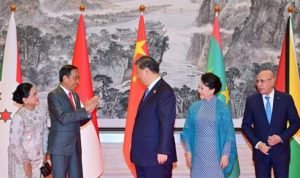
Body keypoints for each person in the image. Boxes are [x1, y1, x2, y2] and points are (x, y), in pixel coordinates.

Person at [242, 69, 300, 178]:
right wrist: (258, 144)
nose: (259, 84)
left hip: (281, 152)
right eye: (257, 81)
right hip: (261, 153)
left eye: (262, 81)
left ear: (272, 81)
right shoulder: (251, 100)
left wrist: (281, 137)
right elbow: (245, 126)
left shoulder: (285, 99)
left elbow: (296, 123)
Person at [180, 73, 237, 178]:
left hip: (216, 157)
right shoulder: (194, 107)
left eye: (202, 88)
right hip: (197, 156)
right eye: (198, 87)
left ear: (212, 90)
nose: (198, 90)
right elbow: (187, 132)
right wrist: (188, 151)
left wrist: (225, 154)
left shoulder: (222, 108)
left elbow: (229, 134)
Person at [47, 64, 99, 178]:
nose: (78, 82)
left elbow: (78, 120)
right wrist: (85, 110)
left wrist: (89, 112)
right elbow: (63, 118)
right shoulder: (53, 95)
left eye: (78, 78)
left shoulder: (75, 95)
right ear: (65, 78)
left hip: (75, 147)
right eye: (75, 78)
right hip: (60, 148)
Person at [130, 56, 177, 178]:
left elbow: (167, 123)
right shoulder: (151, 91)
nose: (138, 77)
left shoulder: (164, 91)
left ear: (146, 71)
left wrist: (163, 150)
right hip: (144, 156)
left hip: (156, 156)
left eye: (138, 73)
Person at [8, 82, 49, 178]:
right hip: (23, 165)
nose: (37, 97)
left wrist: (44, 154)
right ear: (25, 100)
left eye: (37, 93)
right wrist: (26, 163)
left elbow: (45, 132)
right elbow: (15, 145)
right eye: (34, 94)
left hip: (39, 162)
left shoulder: (41, 111)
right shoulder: (19, 117)